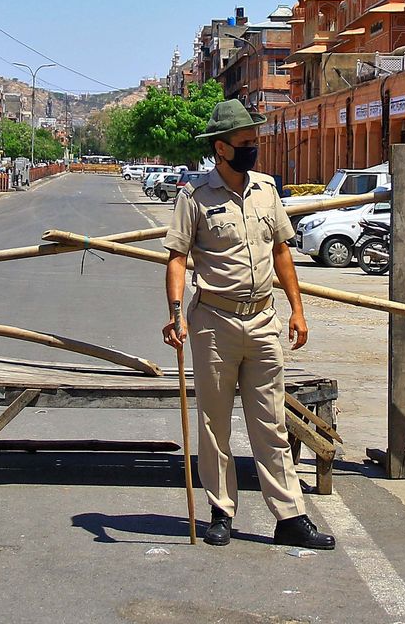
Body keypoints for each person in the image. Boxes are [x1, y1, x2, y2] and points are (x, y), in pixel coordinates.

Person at [162, 100, 334, 550]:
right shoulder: (194, 197)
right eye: (244, 144)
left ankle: (290, 516)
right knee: (214, 422)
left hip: (262, 319)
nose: (252, 151)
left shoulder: (266, 190)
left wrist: (297, 310)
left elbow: (282, 252)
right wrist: (176, 311)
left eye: (254, 143)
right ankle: (221, 511)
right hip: (214, 322)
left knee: (271, 422)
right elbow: (177, 258)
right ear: (221, 148)